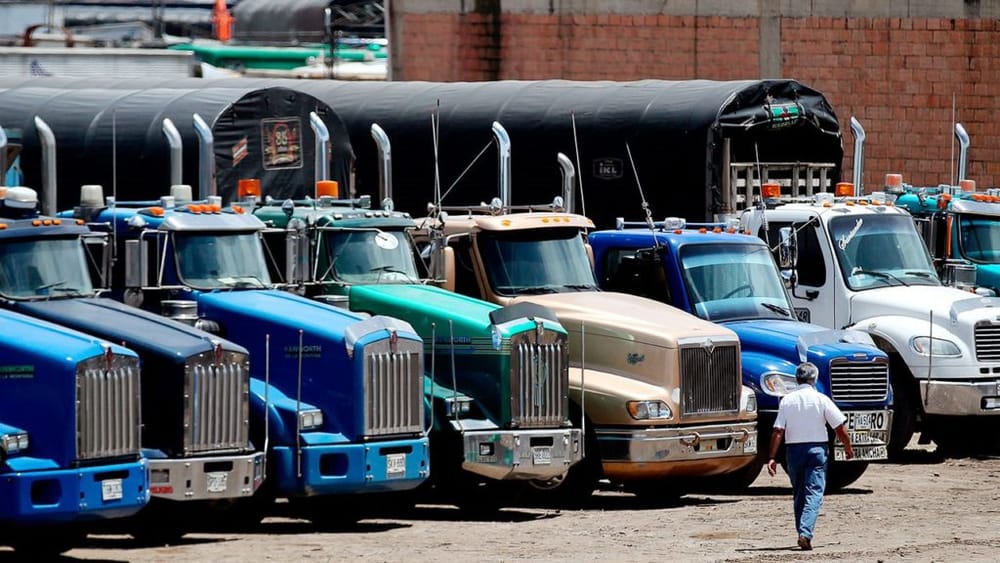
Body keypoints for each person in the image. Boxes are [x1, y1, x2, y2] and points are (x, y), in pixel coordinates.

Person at [767, 361, 855, 551]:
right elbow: (839, 426)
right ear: (814, 379)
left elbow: (778, 431)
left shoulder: (787, 401)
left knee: (799, 493)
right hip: (817, 450)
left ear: (797, 379)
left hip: (793, 451)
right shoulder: (821, 399)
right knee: (814, 492)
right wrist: (847, 447)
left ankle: (802, 532)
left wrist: (772, 457)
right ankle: (805, 533)